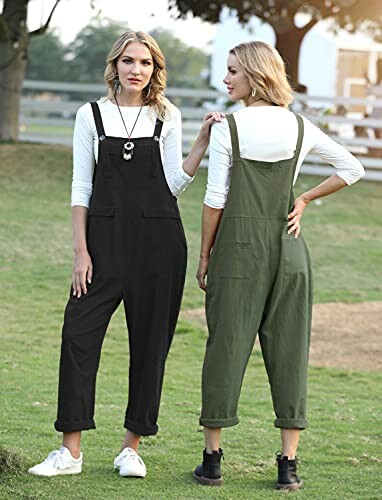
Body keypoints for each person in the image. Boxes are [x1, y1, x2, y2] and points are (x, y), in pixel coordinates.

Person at [28, 30, 223, 478]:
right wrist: (81, 252)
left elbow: (173, 182)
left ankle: (131, 447)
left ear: (155, 70)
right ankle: (70, 452)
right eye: (129, 61)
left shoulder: (165, 115)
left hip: (159, 246)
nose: (137, 69)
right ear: (114, 64)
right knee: (77, 337)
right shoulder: (90, 115)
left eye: (147, 63)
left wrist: (202, 143)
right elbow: (81, 187)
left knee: (150, 345)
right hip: (103, 246)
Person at [193, 41, 365, 490]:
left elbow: (215, 200)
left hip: (237, 249)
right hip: (289, 249)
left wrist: (205, 255)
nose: (226, 79)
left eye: (233, 71)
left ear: (255, 74)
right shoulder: (300, 126)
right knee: (290, 350)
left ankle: (212, 461)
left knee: (226, 346)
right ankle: (287, 466)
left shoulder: (228, 128)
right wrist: (304, 197)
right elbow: (351, 167)